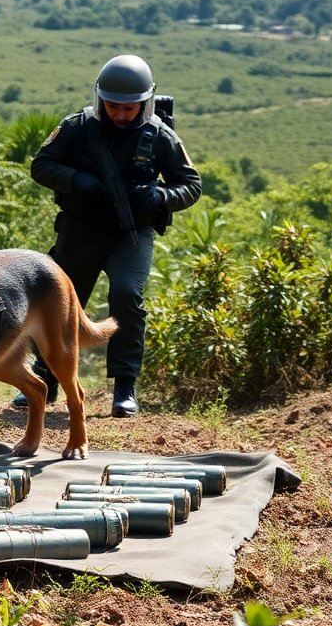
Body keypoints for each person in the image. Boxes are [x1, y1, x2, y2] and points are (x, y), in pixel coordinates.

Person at [17, 54, 201, 417]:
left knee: (126, 294)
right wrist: (76, 180)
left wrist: (162, 195)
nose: (120, 114)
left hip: (130, 234)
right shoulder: (78, 127)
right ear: (100, 99)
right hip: (80, 229)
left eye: (129, 108)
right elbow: (41, 165)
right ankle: (46, 379)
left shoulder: (160, 136)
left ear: (144, 104)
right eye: (113, 106)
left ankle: (124, 386)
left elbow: (191, 185)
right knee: (59, 301)